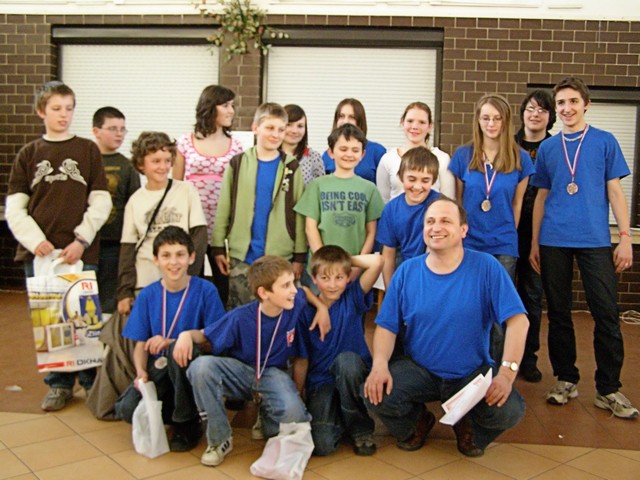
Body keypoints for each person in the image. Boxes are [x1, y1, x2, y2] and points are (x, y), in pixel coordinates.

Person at [363, 197, 528, 457]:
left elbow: (519, 321)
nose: (436, 227)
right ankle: (418, 423)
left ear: (463, 230)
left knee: (510, 410)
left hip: (470, 374)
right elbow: (386, 326)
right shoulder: (407, 272)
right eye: (430, 221)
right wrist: (380, 365)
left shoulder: (487, 267)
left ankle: (468, 425)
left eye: (445, 221)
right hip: (420, 370)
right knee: (374, 392)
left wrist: (507, 373)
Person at [529, 76, 638, 418]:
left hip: (595, 240)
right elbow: (541, 196)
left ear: (586, 104)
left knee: (606, 313)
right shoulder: (548, 148)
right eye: (561, 103)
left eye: (573, 101)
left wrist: (625, 237)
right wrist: (534, 242)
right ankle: (566, 379)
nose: (567, 108)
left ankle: (608, 389)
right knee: (559, 313)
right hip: (553, 240)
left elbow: (615, 191)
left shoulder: (604, 141)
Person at [5, 80, 112, 411]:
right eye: (56, 109)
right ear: (42, 112)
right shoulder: (29, 154)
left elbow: (101, 200)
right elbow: (15, 208)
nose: (63, 115)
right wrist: (36, 240)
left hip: (79, 250)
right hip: (41, 253)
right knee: (51, 319)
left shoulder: (87, 150)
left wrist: (82, 238)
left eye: (68, 108)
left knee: (83, 319)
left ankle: (91, 382)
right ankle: (59, 384)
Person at [186, 256, 329, 467]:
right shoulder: (240, 317)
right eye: (286, 286)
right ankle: (220, 439)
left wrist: (321, 307)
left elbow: (305, 292)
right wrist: (186, 335)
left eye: (292, 283)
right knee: (201, 367)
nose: (293, 290)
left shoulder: (294, 302)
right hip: (242, 372)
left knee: (292, 415)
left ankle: (265, 412)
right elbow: (205, 335)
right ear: (264, 293)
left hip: (273, 374)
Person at [114, 226, 226, 452]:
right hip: (159, 367)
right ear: (156, 260)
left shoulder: (206, 290)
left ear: (191, 257)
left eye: (180, 255)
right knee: (126, 409)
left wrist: (173, 341)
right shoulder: (148, 294)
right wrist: (141, 372)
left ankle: (187, 423)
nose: (173, 262)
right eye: (166, 255)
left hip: (190, 368)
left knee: (179, 350)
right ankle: (172, 413)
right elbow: (140, 344)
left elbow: (215, 341)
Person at [211, 102, 307, 309]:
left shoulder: (291, 166)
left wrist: (300, 256)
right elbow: (224, 207)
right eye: (270, 128)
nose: (276, 134)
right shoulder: (237, 163)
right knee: (241, 313)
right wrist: (218, 246)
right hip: (242, 258)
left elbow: (300, 214)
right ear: (255, 128)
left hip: (280, 257)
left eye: (280, 129)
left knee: (277, 313)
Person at [293, 246, 384, 456]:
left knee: (347, 362)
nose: (333, 285)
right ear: (314, 279)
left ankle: (360, 428)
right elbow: (301, 359)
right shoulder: (305, 313)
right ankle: (341, 416)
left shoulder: (352, 297)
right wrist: (298, 397)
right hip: (321, 382)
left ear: (347, 277)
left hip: (353, 374)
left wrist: (342, 260)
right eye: (325, 277)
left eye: (339, 277)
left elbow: (378, 262)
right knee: (322, 445)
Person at [116, 132, 207, 316]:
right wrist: (124, 291)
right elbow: (128, 248)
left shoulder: (186, 191)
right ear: (141, 164)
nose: (163, 167)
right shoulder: (135, 200)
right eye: (156, 161)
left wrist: (188, 274)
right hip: (146, 279)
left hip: (180, 277)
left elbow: (199, 236)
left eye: (167, 160)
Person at [449, 94, 535, 282]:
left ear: (506, 121)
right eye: (486, 118)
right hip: (469, 240)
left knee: (500, 295)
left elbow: (517, 203)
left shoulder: (521, 158)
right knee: (469, 293)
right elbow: (458, 200)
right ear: (478, 120)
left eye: (497, 118)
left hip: (503, 242)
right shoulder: (463, 155)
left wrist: (508, 233)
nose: (491, 124)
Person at [173, 85, 244, 305]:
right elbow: (176, 186)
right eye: (225, 105)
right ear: (210, 107)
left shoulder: (237, 147)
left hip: (222, 230)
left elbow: (238, 190)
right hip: (192, 227)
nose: (231, 111)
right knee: (190, 283)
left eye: (232, 105)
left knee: (223, 286)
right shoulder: (184, 143)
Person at [295, 124, 384, 283]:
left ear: (362, 154)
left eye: (355, 150)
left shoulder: (369, 189)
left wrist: (357, 267)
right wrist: (323, 263)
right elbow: (310, 227)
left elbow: (371, 232)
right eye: (343, 149)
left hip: (354, 269)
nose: (349, 154)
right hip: (320, 269)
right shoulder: (317, 185)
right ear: (331, 152)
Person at [513, 90, 555, 383]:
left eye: (542, 110)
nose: (535, 114)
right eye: (530, 108)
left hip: (541, 231)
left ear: (550, 117)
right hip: (507, 228)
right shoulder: (508, 144)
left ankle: (528, 358)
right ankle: (498, 355)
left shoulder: (556, 147)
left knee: (531, 295)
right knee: (502, 293)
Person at [92, 106, 141, 314]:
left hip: (114, 244)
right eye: (112, 128)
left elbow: (134, 205)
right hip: (85, 243)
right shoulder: (84, 162)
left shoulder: (127, 166)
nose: (119, 134)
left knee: (108, 302)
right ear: (96, 131)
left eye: (122, 129)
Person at [376, 146, 442, 289]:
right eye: (411, 179)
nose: (417, 186)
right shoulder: (391, 210)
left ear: (433, 180)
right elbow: (388, 255)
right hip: (404, 267)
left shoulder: (441, 205)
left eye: (425, 180)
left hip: (437, 269)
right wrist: (391, 292)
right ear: (401, 177)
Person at [376, 101, 454, 202]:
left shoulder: (442, 159)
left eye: (422, 122)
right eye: (410, 121)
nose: (415, 126)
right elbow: (383, 200)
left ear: (430, 126)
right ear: (402, 123)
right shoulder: (388, 159)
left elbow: (448, 199)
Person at [322, 98, 386, 184]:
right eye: (341, 116)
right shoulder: (327, 155)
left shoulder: (377, 152)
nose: (345, 121)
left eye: (351, 117)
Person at [282, 104, 325, 185]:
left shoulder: (313, 157)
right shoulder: (271, 155)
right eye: (289, 125)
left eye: (300, 126)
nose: (294, 131)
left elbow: (321, 187)